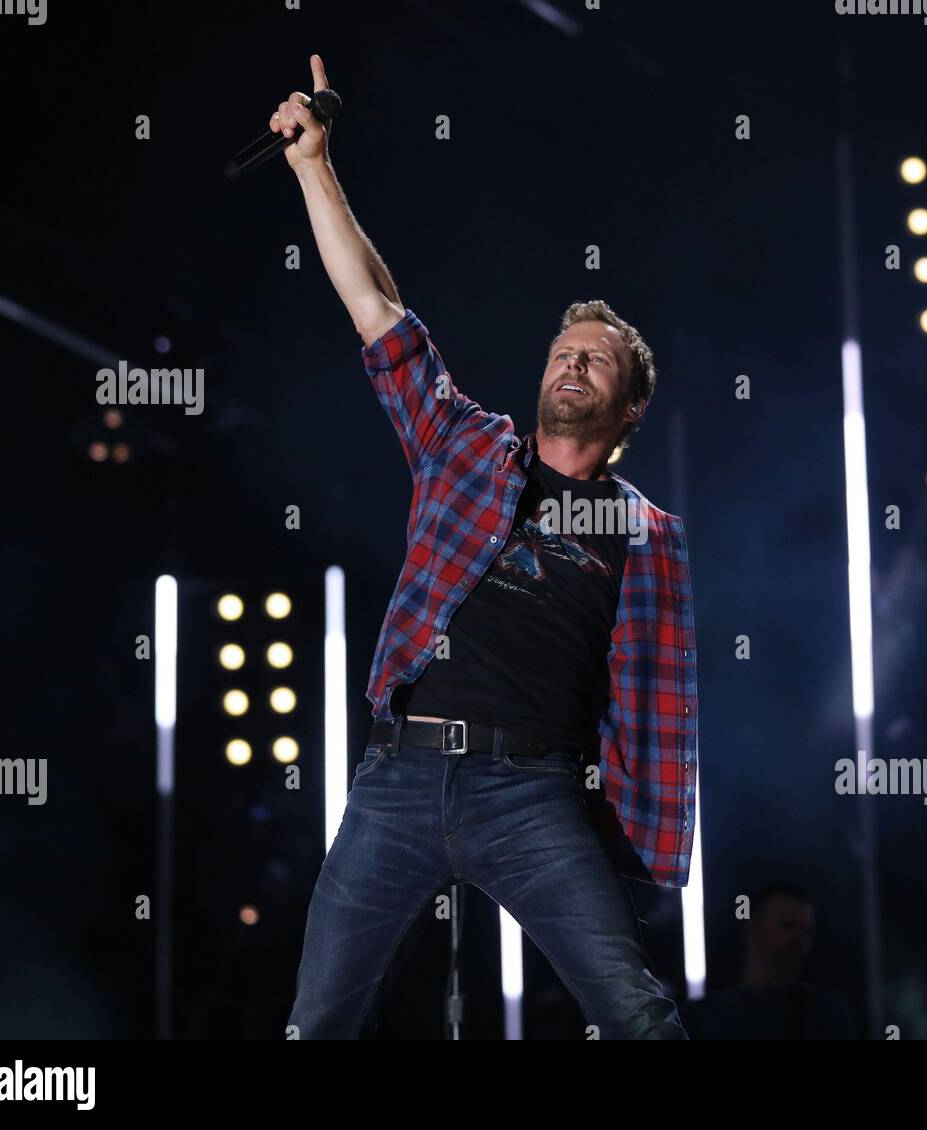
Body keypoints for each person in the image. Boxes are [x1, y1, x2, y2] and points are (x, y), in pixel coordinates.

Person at [277, 55, 699, 1039]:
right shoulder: (465, 444)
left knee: (637, 1014)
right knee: (314, 1022)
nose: (571, 358)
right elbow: (379, 312)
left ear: (627, 404)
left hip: (531, 794)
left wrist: (640, 849)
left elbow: (658, 707)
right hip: (399, 777)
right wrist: (313, 166)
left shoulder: (645, 535)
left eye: (595, 355)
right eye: (563, 348)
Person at [680, 883, 859, 1039]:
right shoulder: (702, 1017)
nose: (798, 939)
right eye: (786, 926)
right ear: (752, 929)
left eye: (806, 932)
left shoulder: (828, 1013)